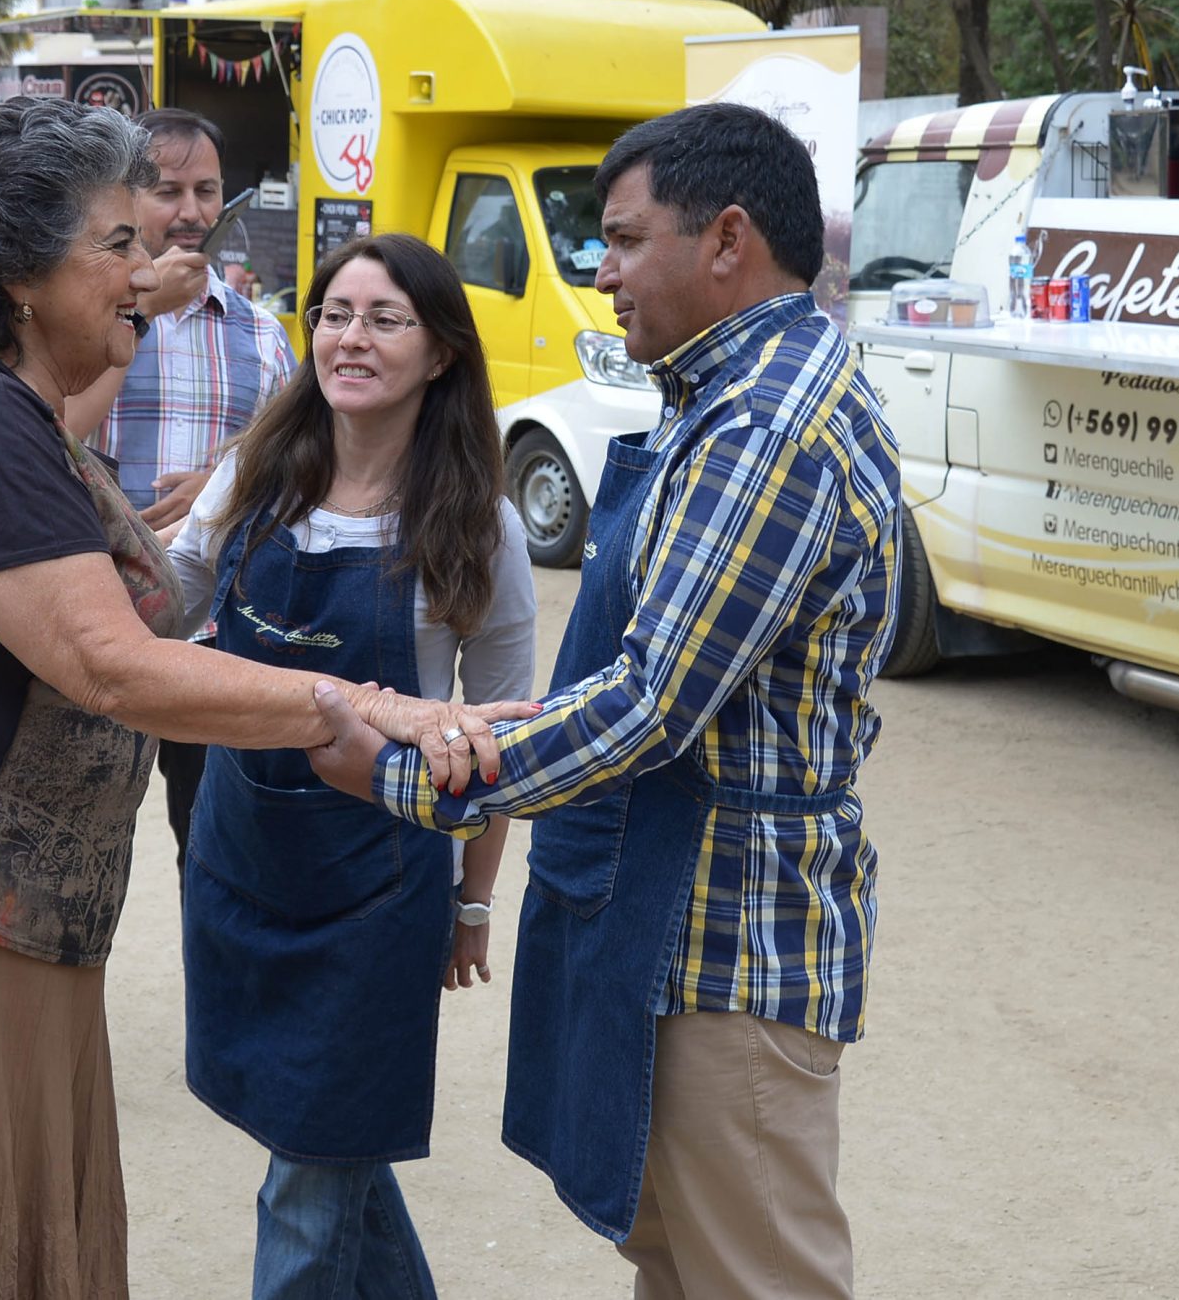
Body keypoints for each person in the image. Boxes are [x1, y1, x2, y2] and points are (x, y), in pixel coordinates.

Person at [0, 97, 525, 1300]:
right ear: (22, 272)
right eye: (118, 245)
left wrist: (471, 895)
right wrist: (373, 703)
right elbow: (111, 661)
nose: (149, 269)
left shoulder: (10, 407)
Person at [309, 101, 900, 1298]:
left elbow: (643, 709)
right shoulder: (730, 394)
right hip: (688, 929)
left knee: (755, 1277)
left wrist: (407, 772)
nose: (602, 269)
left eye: (625, 240)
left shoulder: (765, 428)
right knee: (684, 1270)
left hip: (730, 945)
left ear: (725, 238)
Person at [167, 233, 537, 1297]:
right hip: (240, 861)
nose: (350, 337)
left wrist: (472, 904)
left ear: (440, 354)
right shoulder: (252, 476)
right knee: (332, 1152)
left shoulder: (481, 529)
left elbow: (498, 735)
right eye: (334, 312)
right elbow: (165, 608)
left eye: (384, 318)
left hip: (376, 893)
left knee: (310, 1175)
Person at [68, 107, 299, 870]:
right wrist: (135, 311)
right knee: (74, 851)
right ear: (127, 200)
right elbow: (46, 434)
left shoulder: (260, 334)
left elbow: (305, 470)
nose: (193, 212)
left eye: (207, 189)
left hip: (212, 638)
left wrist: (229, 477)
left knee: (209, 849)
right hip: (96, 628)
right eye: (168, 191)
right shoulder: (81, 327)